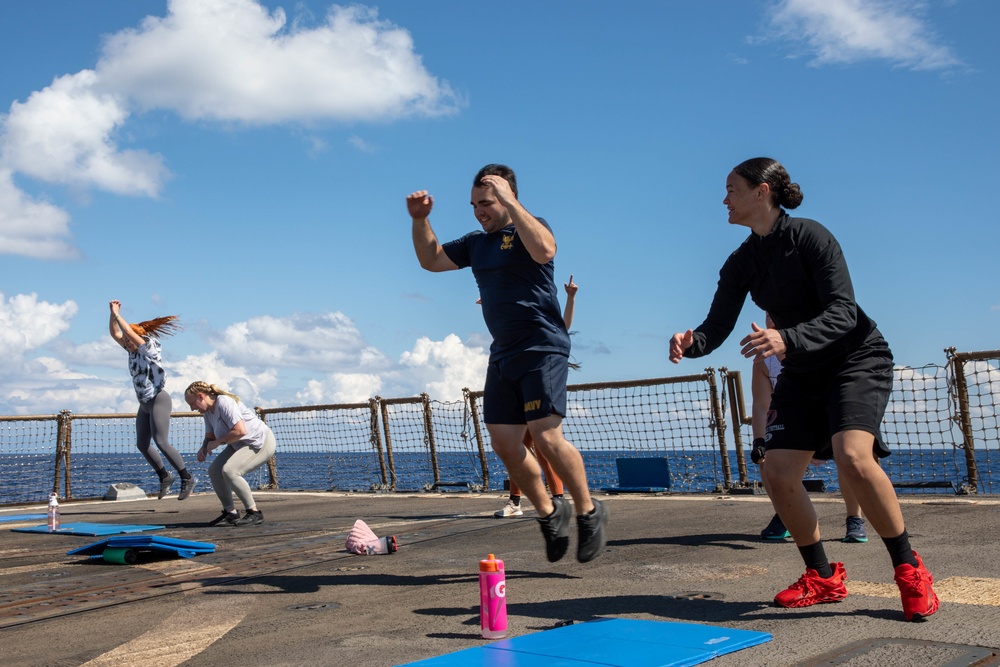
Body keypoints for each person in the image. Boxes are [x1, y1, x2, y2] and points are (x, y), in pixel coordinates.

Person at [669, 157, 938, 621]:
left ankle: (910, 569)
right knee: (776, 472)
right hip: (802, 371)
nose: (724, 199)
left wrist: (786, 338)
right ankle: (823, 577)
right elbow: (716, 325)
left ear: (762, 192)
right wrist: (692, 343)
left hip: (856, 359)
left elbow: (844, 312)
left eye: (732, 189)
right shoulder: (741, 262)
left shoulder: (811, 236)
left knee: (854, 457)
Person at [407, 164, 607, 563]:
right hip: (504, 352)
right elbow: (430, 260)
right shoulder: (475, 244)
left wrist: (514, 202)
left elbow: (546, 251)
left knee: (547, 436)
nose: (478, 210)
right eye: (473, 204)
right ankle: (551, 514)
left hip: (542, 346)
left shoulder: (529, 228)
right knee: (504, 442)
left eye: (486, 202)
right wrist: (420, 220)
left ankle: (588, 510)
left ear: (505, 197)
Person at [752, 315, 868, 543]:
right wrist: (759, 441)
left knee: (848, 455)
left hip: (829, 411)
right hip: (794, 416)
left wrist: (819, 442)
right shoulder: (763, 359)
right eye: (769, 317)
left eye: (778, 315)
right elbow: (761, 404)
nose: (773, 321)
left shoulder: (818, 346)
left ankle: (854, 518)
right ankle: (786, 514)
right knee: (767, 460)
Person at [495, 276, 577, 518]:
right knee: (520, 448)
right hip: (521, 386)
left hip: (542, 388)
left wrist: (571, 297)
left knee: (541, 444)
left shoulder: (547, 333)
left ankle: (556, 500)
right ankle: (519, 503)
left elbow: (564, 326)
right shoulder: (519, 334)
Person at [109, 300, 196, 501]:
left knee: (161, 441)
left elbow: (128, 334)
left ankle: (187, 477)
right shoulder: (131, 350)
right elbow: (116, 334)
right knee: (142, 444)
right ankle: (165, 476)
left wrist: (118, 313)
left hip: (158, 399)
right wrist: (112, 315)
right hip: (144, 403)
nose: (127, 344)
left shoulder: (149, 346)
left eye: (130, 341)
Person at [184, 381, 276, 526]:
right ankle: (230, 513)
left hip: (259, 442)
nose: (192, 408)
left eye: (192, 403)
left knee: (230, 471)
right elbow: (210, 435)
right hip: (238, 444)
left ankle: (254, 513)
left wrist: (217, 443)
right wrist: (204, 447)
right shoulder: (207, 412)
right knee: (215, 471)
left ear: (201, 396)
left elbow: (240, 431)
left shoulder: (224, 402)